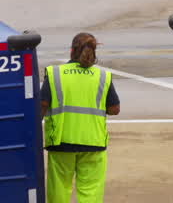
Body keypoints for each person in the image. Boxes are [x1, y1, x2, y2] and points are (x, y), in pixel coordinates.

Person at [41, 32, 120, 203]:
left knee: (59, 189)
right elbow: (114, 109)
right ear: (94, 51)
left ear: (71, 51)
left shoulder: (55, 73)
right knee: (90, 192)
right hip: (93, 143)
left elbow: (42, 105)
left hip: (61, 142)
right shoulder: (102, 76)